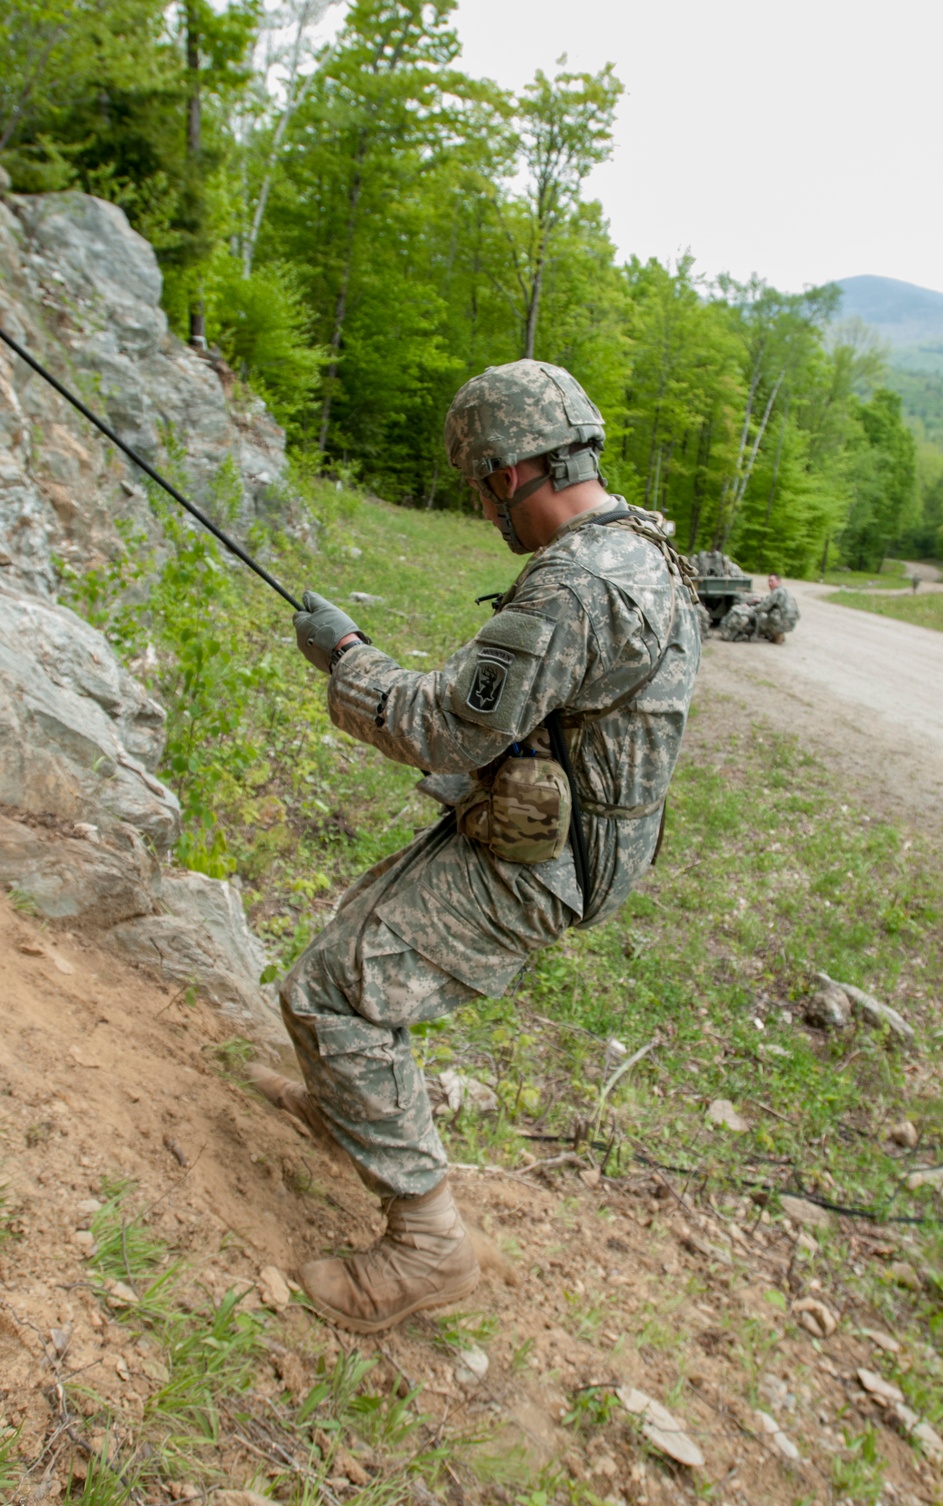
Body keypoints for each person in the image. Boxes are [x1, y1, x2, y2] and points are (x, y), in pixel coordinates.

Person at [251, 360, 701, 1333]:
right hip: (555, 839)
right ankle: (349, 1108)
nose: (484, 511)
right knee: (354, 948)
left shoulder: (576, 584)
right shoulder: (641, 548)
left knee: (334, 991)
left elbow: (445, 729)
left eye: (478, 489)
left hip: (543, 863)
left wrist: (346, 658)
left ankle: (427, 1247)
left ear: (505, 474)